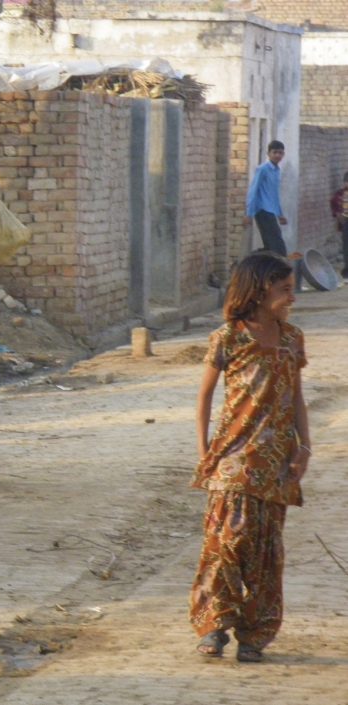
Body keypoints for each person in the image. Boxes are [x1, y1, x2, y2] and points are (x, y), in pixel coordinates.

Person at [188, 251, 310, 663]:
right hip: (233, 458)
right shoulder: (228, 337)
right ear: (260, 291)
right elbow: (204, 397)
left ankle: (255, 634)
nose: (292, 297)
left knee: (265, 551)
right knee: (225, 542)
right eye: (285, 290)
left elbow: (297, 399)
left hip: (275, 463)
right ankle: (214, 625)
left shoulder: (293, 338)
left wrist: (304, 448)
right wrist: (206, 451)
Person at [245, 140, 288, 256]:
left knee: (272, 243)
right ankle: (278, 267)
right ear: (268, 154)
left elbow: (274, 195)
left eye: (280, 153)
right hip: (262, 210)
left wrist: (280, 214)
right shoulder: (263, 169)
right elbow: (253, 191)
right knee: (276, 243)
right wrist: (249, 214)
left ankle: (265, 264)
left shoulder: (277, 170)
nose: (278, 155)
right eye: (275, 152)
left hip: (270, 210)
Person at [329, 171, 348, 278]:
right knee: (346, 246)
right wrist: (337, 214)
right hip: (346, 222)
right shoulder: (340, 194)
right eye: (346, 182)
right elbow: (333, 203)